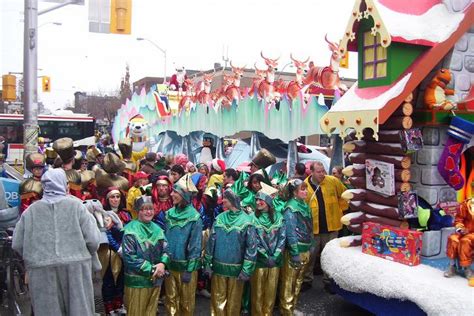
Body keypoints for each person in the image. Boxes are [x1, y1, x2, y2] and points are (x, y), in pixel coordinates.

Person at [12, 168, 101, 316]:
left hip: (41, 270)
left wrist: (34, 257)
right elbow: (93, 240)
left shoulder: (30, 212)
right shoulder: (77, 206)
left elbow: (17, 244)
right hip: (76, 268)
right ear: (63, 184)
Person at [205, 189, 257, 315]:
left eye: (225, 199)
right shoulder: (219, 218)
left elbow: (251, 247)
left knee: (234, 303)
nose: (222, 200)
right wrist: (207, 263)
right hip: (218, 269)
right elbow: (211, 243)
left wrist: (246, 269)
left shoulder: (247, 221)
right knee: (217, 302)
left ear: (232, 201)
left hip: (237, 271)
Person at [303, 161, 348, 291]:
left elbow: (344, 194)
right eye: (319, 172)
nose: (322, 174)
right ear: (311, 172)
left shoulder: (333, 181)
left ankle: (329, 281)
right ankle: (307, 279)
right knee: (311, 256)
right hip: (313, 229)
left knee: (329, 256)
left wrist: (341, 209)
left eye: (323, 171)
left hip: (332, 226)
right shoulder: (305, 186)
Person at [122, 195, 170, 316]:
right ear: (138, 211)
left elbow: (166, 249)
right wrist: (152, 269)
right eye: (144, 209)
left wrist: (162, 263)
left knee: (151, 312)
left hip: (156, 280)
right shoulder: (130, 230)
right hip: (137, 282)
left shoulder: (158, 229)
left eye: (151, 209)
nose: (149, 212)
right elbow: (129, 257)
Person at [163, 175, 203, 315]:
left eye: (176, 192)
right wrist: (163, 262)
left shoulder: (194, 217)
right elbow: (165, 240)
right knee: (171, 300)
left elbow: (196, 245)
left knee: (186, 303)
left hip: (186, 268)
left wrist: (190, 269)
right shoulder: (168, 214)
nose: (172, 194)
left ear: (184, 195)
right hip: (170, 265)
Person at [279, 179, 313, 315]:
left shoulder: (305, 205)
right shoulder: (290, 208)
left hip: (305, 249)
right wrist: (294, 252)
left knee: (298, 281)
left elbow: (310, 228)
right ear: (294, 192)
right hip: (295, 251)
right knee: (289, 282)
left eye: (306, 189)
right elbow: (290, 231)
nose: (306, 192)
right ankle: (286, 310)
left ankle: (293, 306)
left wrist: (311, 245)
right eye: (302, 189)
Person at [251, 184, 286, 316]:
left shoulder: (279, 218)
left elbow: (282, 239)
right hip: (259, 262)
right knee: (258, 293)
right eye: (256, 200)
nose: (258, 202)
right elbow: (253, 241)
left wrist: (276, 256)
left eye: (261, 200)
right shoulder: (253, 218)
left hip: (275, 262)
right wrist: (265, 256)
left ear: (269, 202)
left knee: (271, 293)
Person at [444, 198, 473, 287]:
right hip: (465, 231)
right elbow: (459, 219)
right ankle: (452, 266)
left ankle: (467, 268)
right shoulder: (466, 204)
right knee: (453, 239)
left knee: (465, 241)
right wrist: (461, 229)